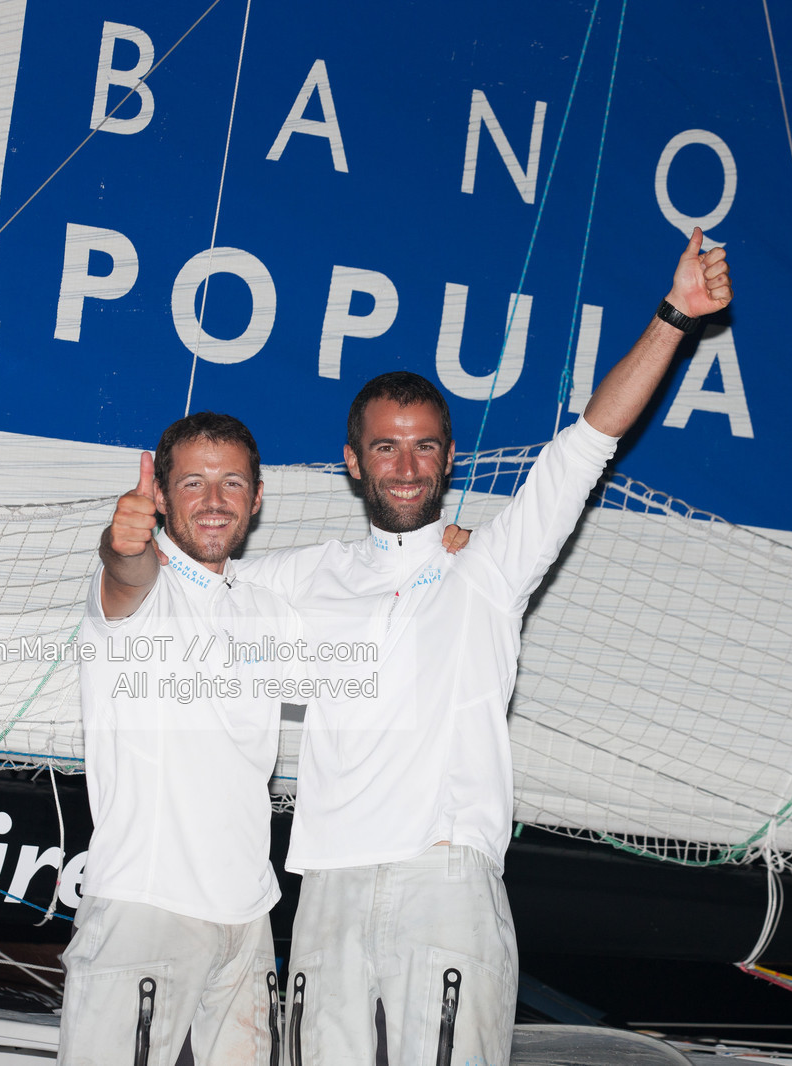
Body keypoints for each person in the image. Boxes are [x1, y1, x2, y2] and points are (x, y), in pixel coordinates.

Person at [237, 229, 732, 1066]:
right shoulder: (300, 578)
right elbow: (190, 595)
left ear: (448, 458)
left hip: (445, 888)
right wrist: (132, 551)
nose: (405, 464)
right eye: (385, 446)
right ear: (352, 462)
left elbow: (587, 443)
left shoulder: (489, 568)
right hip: (326, 890)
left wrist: (675, 315)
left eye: (424, 444)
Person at [61, 412, 300, 1066]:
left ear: (257, 497)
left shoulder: (266, 608)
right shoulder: (145, 592)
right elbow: (125, 571)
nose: (215, 501)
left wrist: (440, 551)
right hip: (147, 910)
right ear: (162, 497)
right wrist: (125, 545)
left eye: (231, 483)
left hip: (247, 923)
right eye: (193, 483)